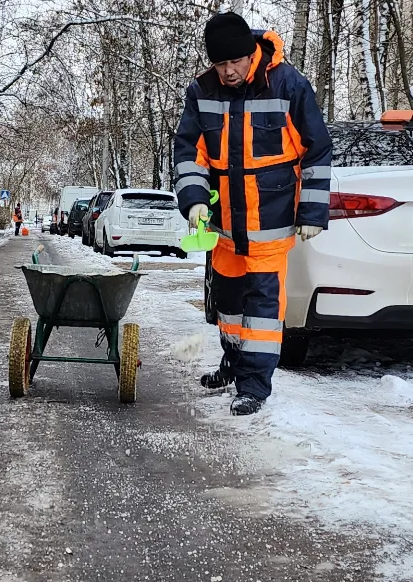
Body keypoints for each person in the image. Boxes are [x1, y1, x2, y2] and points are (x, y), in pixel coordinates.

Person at [173, 12, 332, 416]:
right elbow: (190, 152)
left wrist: (313, 210)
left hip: (270, 219)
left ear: (250, 54)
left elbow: (316, 150)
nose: (228, 71)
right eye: (220, 64)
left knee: (262, 309)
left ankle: (254, 387)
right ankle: (233, 362)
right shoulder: (202, 90)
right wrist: (192, 200)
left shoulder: (288, 85)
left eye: (235, 62)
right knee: (227, 304)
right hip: (223, 223)